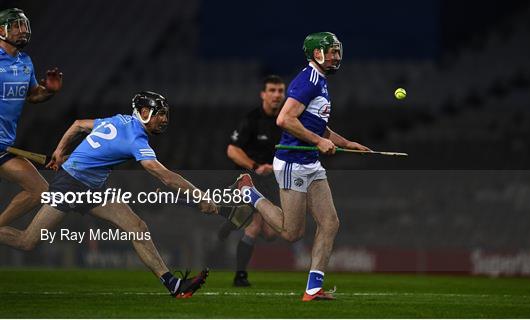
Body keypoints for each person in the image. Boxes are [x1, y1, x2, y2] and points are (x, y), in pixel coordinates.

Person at [0, 91, 217, 298]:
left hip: (93, 188)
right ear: (144, 112)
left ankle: (173, 284)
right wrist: (200, 196)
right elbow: (165, 176)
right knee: (27, 241)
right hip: (70, 186)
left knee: (137, 227)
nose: (164, 119)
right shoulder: (136, 139)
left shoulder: (119, 120)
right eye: (159, 113)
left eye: (165, 114)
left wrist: (59, 151)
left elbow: (78, 125)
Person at [230, 32, 371, 301]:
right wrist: (318, 141)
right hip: (293, 161)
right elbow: (285, 119)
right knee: (292, 233)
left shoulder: (321, 82)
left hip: (310, 162)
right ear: (316, 53)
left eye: (337, 51)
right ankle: (250, 194)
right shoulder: (308, 80)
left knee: (330, 223)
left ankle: (313, 288)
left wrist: (347, 142)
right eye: (331, 51)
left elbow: (318, 124)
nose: (336, 56)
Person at [0, 8, 63, 227]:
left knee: (40, 191)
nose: (22, 30)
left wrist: (48, 91)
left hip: (4, 147)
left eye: (24, 25)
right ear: (1, 30)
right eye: (16, 26)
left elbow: (32, 96)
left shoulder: (25, 62)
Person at [220, 75, 285, 286]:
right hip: (248, 177)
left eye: (280, 91)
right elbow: (232, 149)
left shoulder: (286, 121)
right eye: (272, 90)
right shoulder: (252, 119)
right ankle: (240, 276)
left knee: (272, 233)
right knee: (255, 225)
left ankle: (234, 217)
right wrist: (256, 166)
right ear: (263, 94)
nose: (276, 95)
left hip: (272, 180)